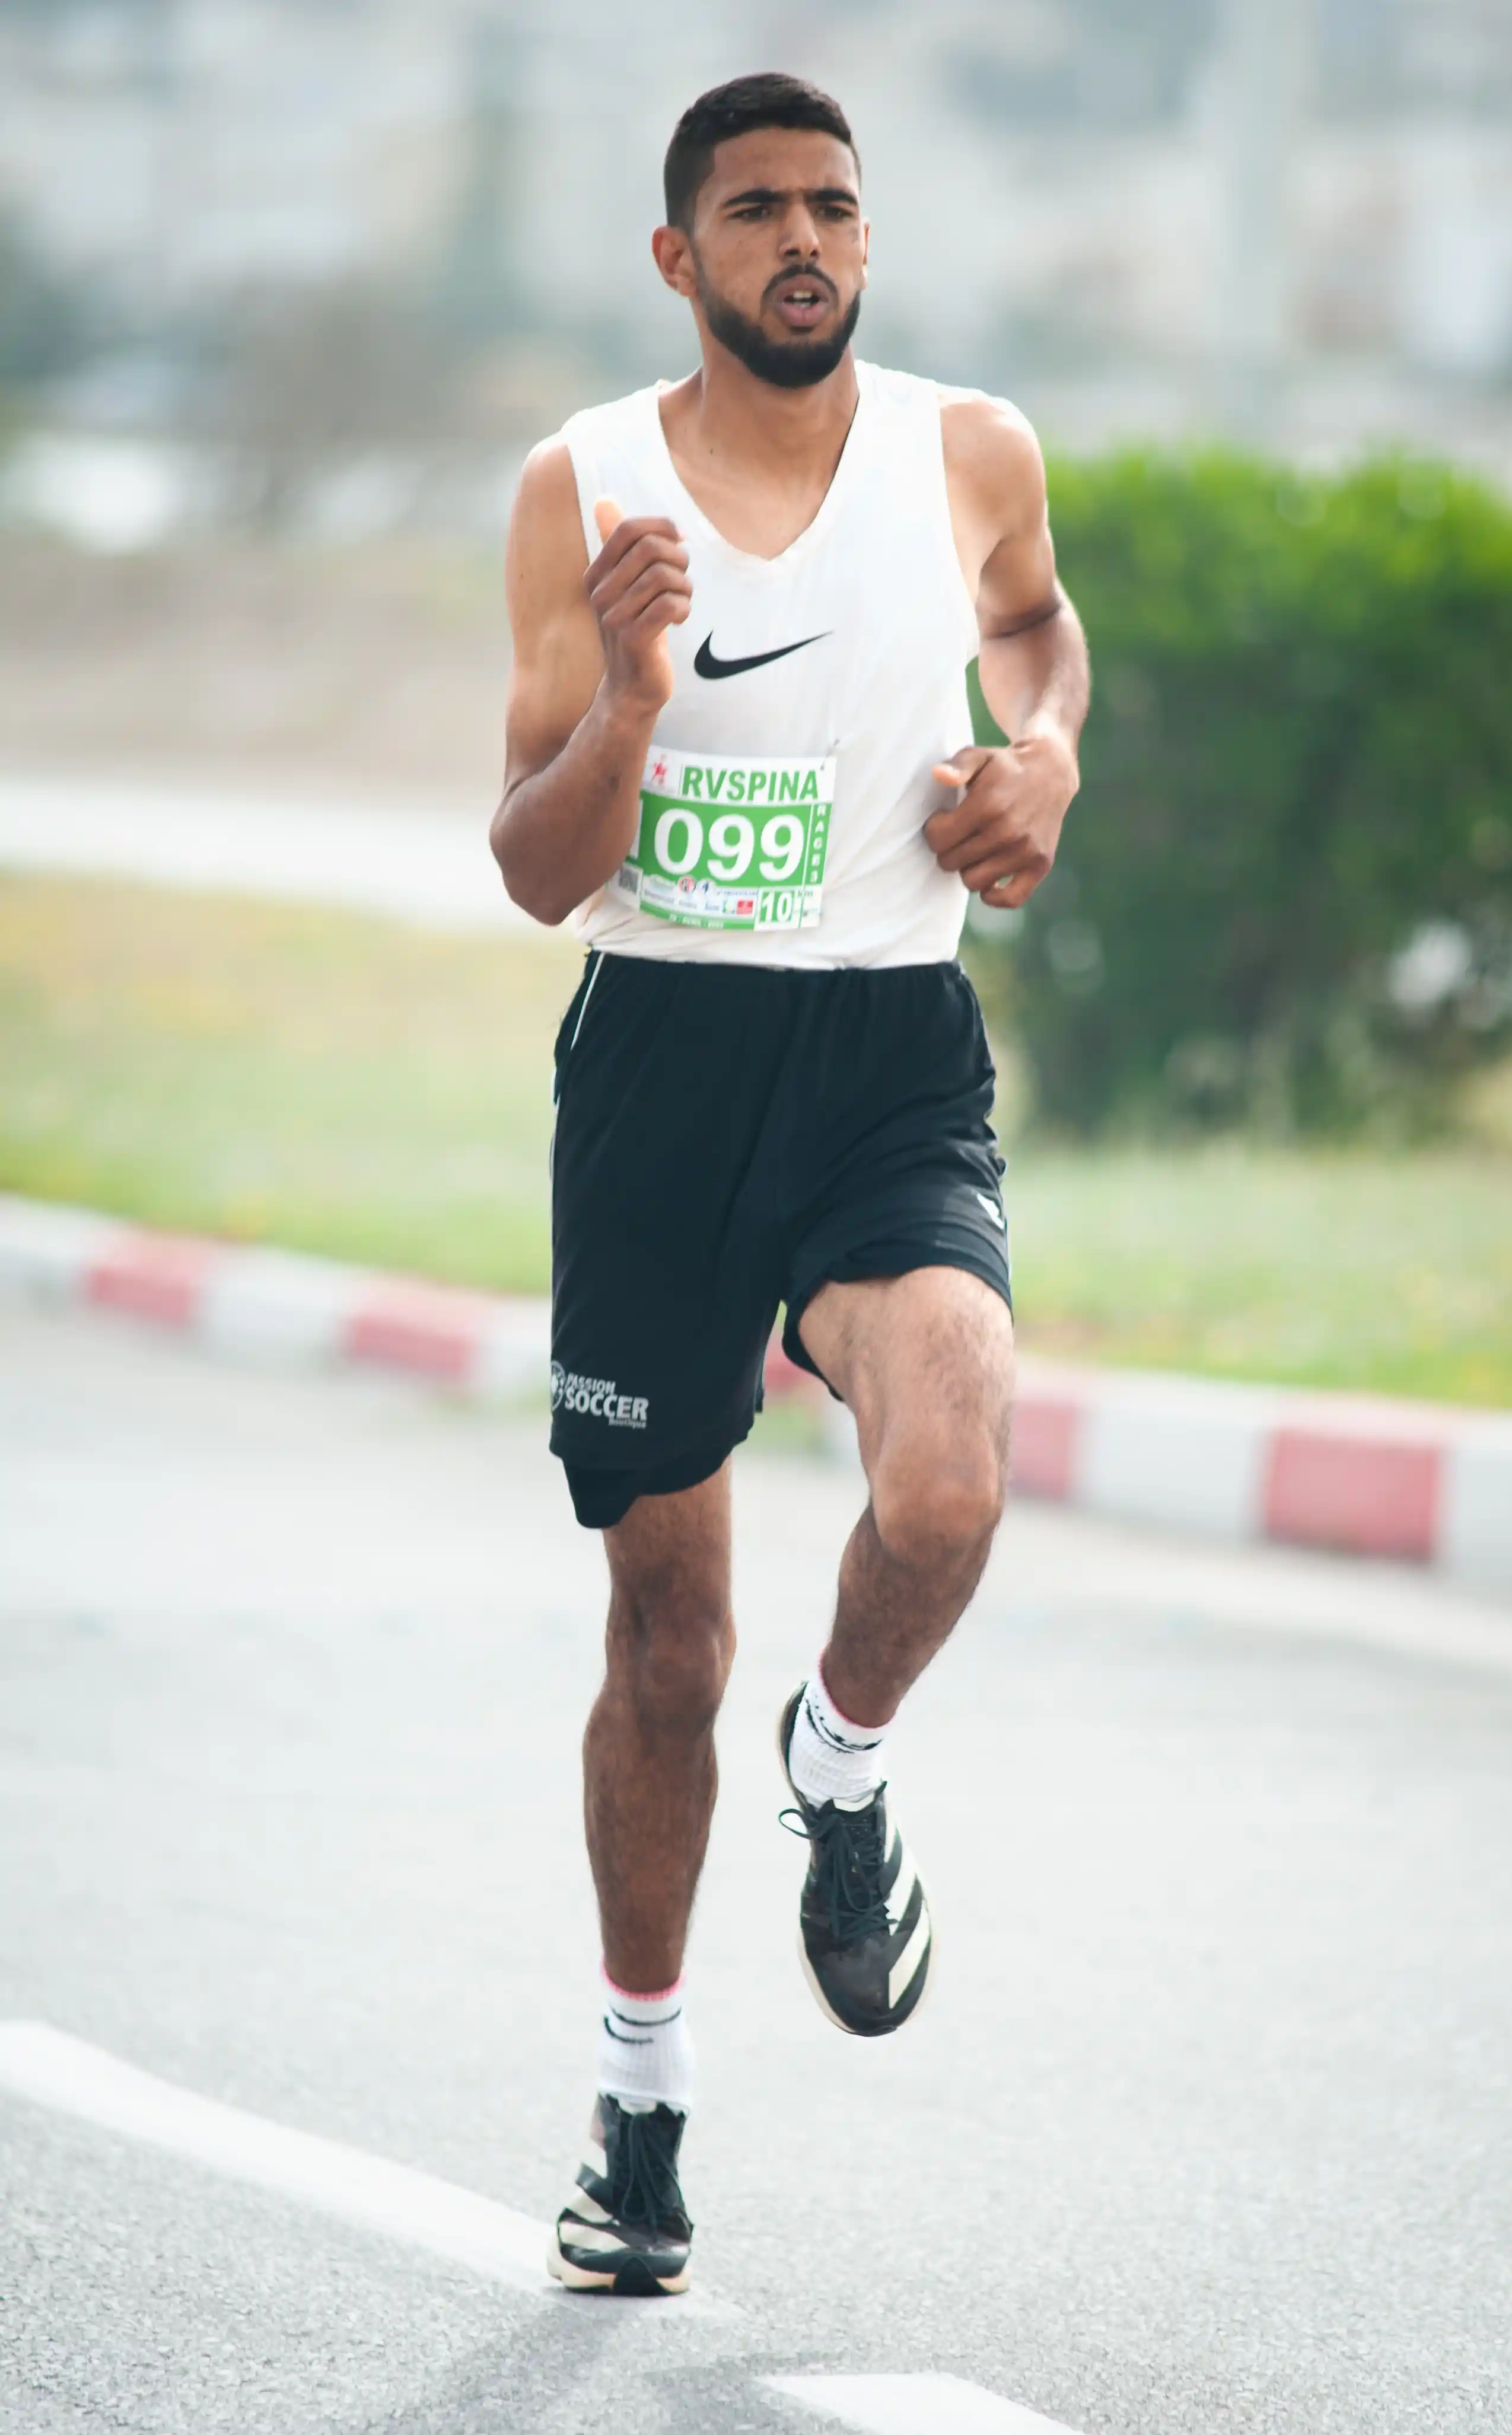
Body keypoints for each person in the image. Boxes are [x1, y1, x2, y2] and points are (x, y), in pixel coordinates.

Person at [492, 71, 1089, 2297]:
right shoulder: (585, 487)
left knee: (948, 1485)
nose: (805, 241)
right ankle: (641, 2113)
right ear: (681, 256)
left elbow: (1036, 627)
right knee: (668, 1645)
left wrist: (1043, 761)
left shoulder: (971, 450)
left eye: (834, 206)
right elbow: (532, 863)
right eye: (756, 212)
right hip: (662, 1067)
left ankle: (841, 1769)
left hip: (885, 1054)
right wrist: (633, 707)